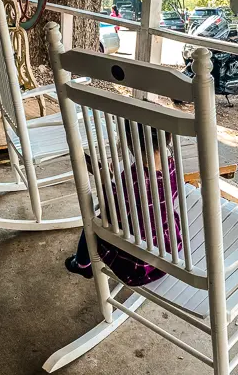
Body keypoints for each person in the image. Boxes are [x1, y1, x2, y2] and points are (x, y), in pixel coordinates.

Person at [65, 121, 182, 287]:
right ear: (168, 137)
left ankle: (82, 265)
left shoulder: (133, 177)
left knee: (93, 224)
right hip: (167, 249)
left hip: (138, 264)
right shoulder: (171, 164)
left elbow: (115, 212)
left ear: (129, 141)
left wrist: (106, 182)